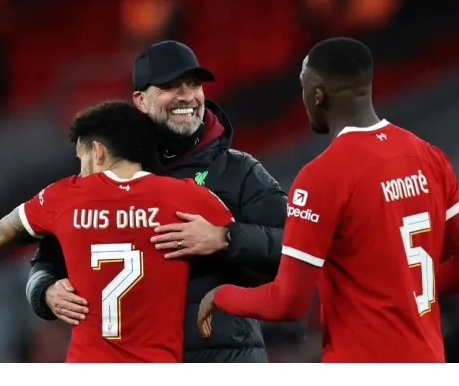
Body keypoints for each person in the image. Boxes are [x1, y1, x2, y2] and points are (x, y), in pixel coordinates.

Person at [198, 37, 459, 362]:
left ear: (317, 94)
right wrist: (407, 290)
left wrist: (222, 296)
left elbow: (288, 302)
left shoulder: (321, 177)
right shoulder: (428, 157)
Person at [25, 41, 286, 363]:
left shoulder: (238, 171)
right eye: (169, 87)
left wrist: (225, 237)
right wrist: (45, 291)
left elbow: (297, 245)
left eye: (194, 85)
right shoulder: (102, 178)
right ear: (140, 100)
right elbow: (46, 259)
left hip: (222, 359)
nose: (187, 96)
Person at [0, 101, 233, 362]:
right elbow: (244, 243)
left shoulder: (64, 197)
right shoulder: (188, 196)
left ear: (97, 152)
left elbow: (2, 233)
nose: (81, 170)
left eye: (81, 158)